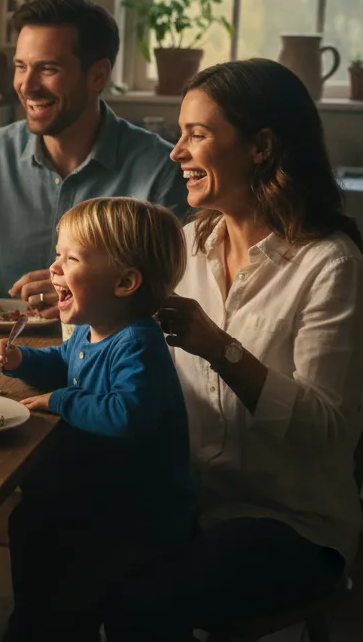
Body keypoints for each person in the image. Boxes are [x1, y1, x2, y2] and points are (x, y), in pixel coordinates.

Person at [107, 59, 363, 640]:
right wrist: (79, 302)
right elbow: (130, 346)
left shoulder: (331, 266)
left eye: (197, 135)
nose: (176, 153)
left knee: (142, 599)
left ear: (260, 146)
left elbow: (329, 431)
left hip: (291, 522)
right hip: (188, 500)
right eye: (180, 134)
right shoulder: (188, 246)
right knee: (60, 539)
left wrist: (221, 349)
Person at [0, 196, 193, 641]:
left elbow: (127, 415)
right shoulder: (91, 327)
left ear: (125, 282)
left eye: (71, 258)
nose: (54, 268)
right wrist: (22, 359)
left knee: (70, 572)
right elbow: (63, 361)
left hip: (135, 517)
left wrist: (59, 400)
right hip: (95, 496)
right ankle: (33, 624)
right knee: (29, 523)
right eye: (57, 255)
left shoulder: (138, 343)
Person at [0, 0, 189, 310]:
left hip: (109, 355)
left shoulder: (161, 168)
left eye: (47, 69)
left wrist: (80, 294)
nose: (27, 85)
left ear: (98, 76)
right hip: (5, 350)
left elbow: (172, 295)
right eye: (21, 67)